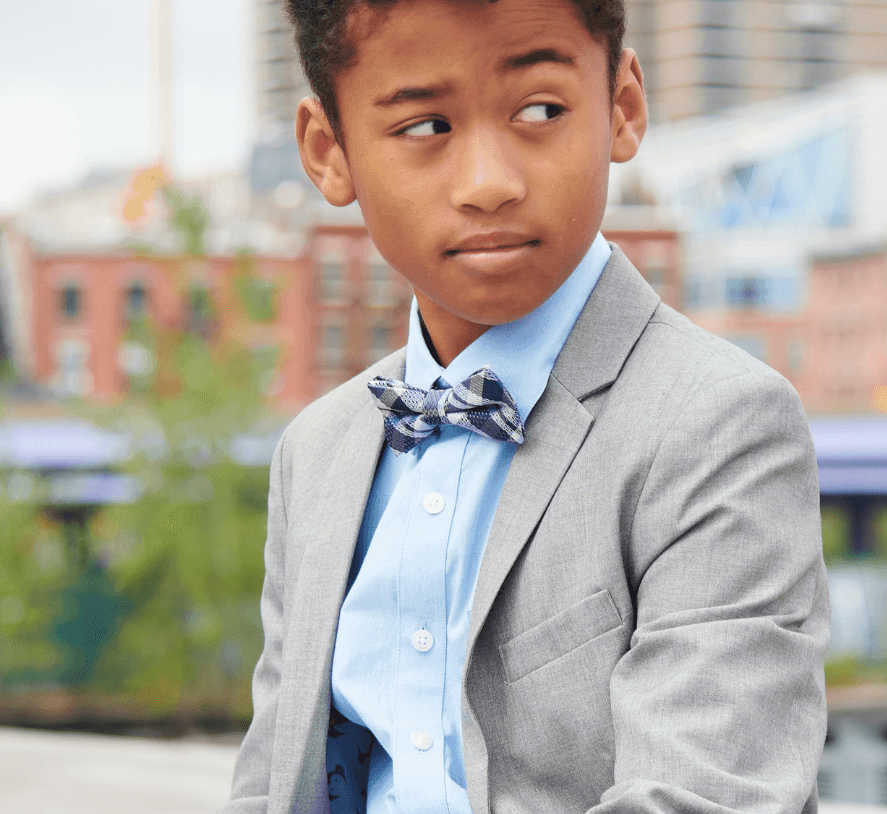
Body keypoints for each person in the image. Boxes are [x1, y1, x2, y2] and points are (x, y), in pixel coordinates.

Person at [222, 0, 831, 812]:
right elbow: (272, 784)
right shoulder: (318, 450)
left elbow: (702, 797)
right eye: (425, 127)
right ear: (329, 153)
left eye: (541, 110)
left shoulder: (719, 423)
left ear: (622, 107)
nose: (489, 185)